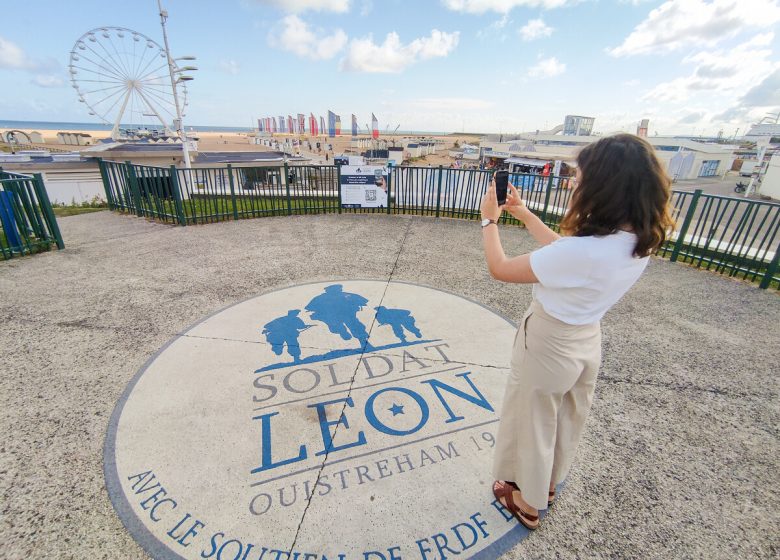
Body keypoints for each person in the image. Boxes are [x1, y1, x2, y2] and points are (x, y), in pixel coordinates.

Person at [480, 134, 674, 531]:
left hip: (549, 343)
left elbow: (501, 269)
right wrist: (526, 215)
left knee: (533, 420)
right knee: (567, 416)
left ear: (604, 185)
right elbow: (563, 256)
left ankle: (528, 503)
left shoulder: (583, 253)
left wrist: (490, 220)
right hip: (586, 339)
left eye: (580, 176)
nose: (573, 182)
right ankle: (547, 486)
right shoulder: (638, 240)